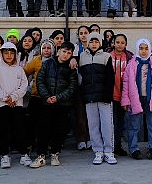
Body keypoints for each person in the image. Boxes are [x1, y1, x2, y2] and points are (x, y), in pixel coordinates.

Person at [32, 41, 78, 168]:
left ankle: (55, 154)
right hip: (46, 103)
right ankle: (41, 155)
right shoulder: (47, 64)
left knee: (59, 129)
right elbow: (40, 80)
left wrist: (58, 98)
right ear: (58, 51)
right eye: (64, 51)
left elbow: (72, 87)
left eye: (69, 53)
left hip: (62, 104)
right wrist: (47, 96)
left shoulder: (71, 68)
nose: (65, 55)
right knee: (43, 129)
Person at [0, 42, 30, 168]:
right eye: (6, 53)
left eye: (11, 53)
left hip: (16, 104)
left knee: (19, 129)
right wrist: (5, 98)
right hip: (1, 105)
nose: (8, 55)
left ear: (15, 55)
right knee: (3, 130)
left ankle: (24, 154)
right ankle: (4, 156)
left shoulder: (19, 69)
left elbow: (23, 86)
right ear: (1, 54)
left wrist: (13, 97)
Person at [79, 32, 117, 165]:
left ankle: (108, 151)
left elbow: (110, 78)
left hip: (104, 97)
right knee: (93, 125)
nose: (94, 44)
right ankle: (98, 151)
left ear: (100, 43)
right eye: (91, 41)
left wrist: (108, 96)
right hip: (89, 97)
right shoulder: (82, 57)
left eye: (96, 41)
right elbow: (80, 77)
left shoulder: (107, 57)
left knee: (107, 125)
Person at [121, 38, 152, 160]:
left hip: (150, 99)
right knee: (134, 125)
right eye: (141, 48)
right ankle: (134, 148)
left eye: (146, 48)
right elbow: (126, 83)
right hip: (136, 98)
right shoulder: (132, 64)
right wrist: (125, 100)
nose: (143, 51)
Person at [110, 34, 133, 156]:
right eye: (117, 42)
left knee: (120, 123)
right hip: (111, 95)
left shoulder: (128, 58)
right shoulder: (108, 56)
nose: (119, 44)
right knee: (111, 123)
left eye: (122, 42)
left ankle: (117, 146)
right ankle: (110, 147)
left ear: (125, 44)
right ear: (113, 43)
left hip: (123, 96)